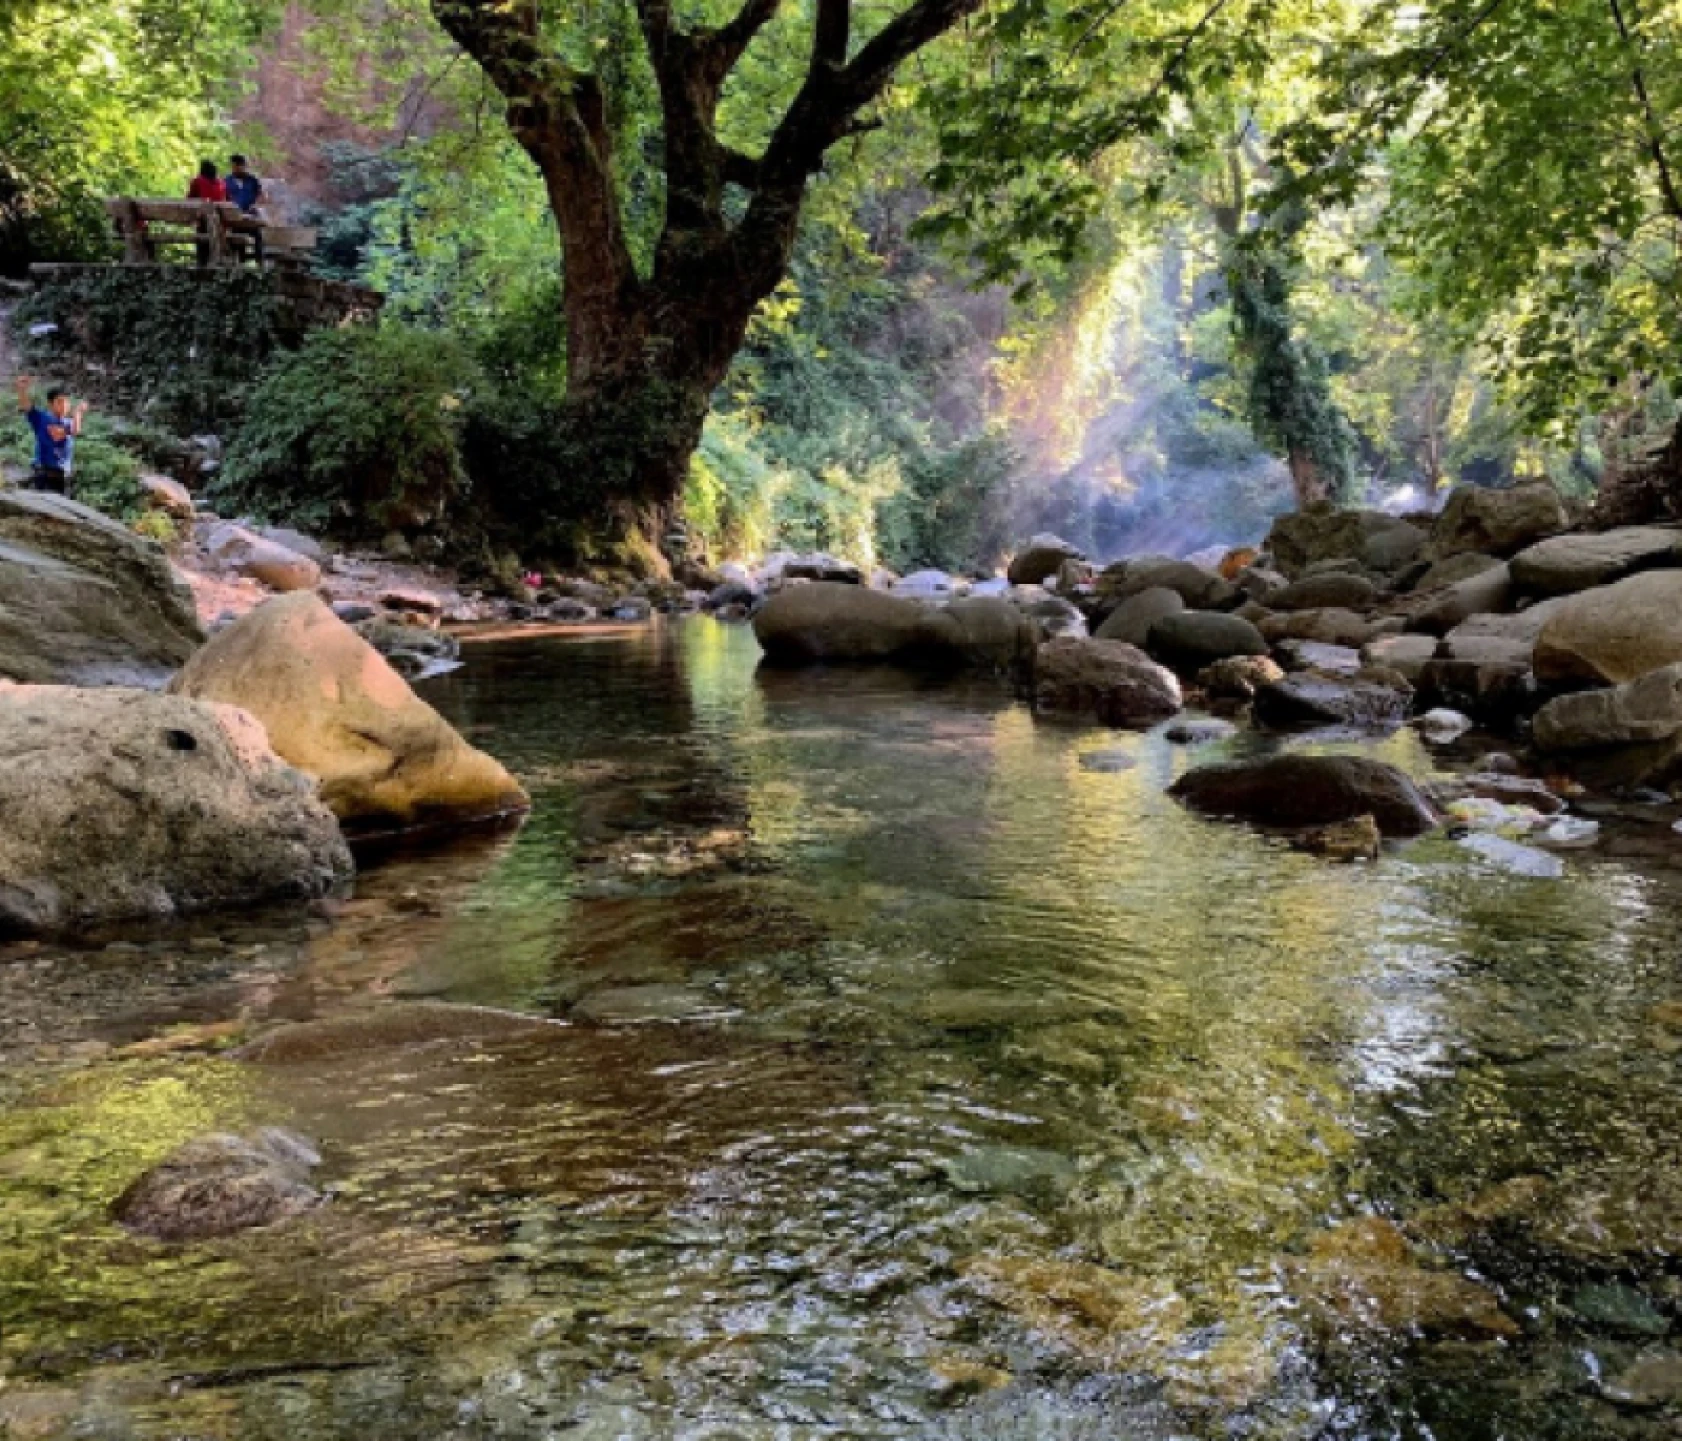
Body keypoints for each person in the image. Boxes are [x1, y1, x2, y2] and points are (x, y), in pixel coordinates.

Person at [13, 375, 88, 494]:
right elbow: (27, 407)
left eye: (66, 402)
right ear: (50, 404)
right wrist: (22, 390)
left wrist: (78, 413)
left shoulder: (69, 422)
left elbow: (76, 430)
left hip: (64, 477)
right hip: (44, 474)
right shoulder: (42, 418)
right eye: (59, 402)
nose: (64, 405)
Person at [224, 154, 266, 266]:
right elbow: (224, 199)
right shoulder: (227, 181)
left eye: (238, 166)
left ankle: (260, 265)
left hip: (250, 218)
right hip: (235, 219)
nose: (235, 169)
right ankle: (238, 265)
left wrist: (255, 205)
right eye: (233, 167)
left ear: (243, 166)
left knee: (258, 237)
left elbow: (261, 196)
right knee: (235, 240)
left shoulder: (253, 180)